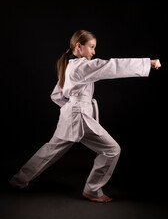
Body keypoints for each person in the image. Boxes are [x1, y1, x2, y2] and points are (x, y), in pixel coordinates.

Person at [9, 30, 161, 203]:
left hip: (71, 115)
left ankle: (18, 181)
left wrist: (70, 108)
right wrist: (148, 63)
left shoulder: (69, 66)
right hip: (79, 115)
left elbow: (56, 95)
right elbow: (112, 66)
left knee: (50, 150)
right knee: (112, 150)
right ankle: (92, 190)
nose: (93, 52)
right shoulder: (81, 66)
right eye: (91, 47)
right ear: (79, 47)